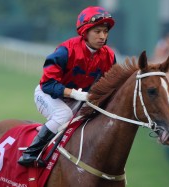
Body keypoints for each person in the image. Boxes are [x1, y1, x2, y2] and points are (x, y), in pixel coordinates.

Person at [18, 6, 117, 167]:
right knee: (63, 114)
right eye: (97, 31)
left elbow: (111, 85)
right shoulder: (66, 50)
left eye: (105, 32)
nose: (102, 36)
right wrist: (74, 94)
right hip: (48, 94)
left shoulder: (109, 56)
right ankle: (30, 153)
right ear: (85, 31)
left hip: (80, 98)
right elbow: (47, 84)